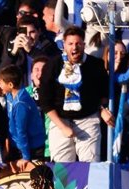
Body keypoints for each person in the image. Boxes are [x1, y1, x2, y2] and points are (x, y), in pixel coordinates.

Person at [39, 26, 113, 162]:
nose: (75, 47)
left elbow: (103, 94)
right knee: (62, 170)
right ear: (64, 45)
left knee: (90, 165)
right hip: (60, 119)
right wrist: (63, 126)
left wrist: (102, 110)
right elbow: (45, 101)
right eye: (71, 44)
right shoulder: (53, 65)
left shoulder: (95, 65)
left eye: (78, 43)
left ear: (84, 45)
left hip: (88, 119)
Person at [0, 65, 45, 161]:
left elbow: (21, 130)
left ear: (10, 85)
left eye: (1, 83)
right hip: (18, 146)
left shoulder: (21, 104)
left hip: (31, 149)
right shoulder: (10, 95)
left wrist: (25, 157)